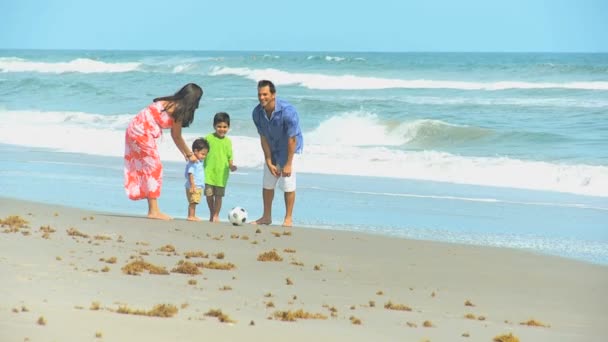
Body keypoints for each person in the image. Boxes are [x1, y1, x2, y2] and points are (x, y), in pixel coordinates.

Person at [124, 83, 203, 220]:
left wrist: (186, 154)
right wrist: (189, 154)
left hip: (135, 129)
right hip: (142, 132)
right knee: (154, 168)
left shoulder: (170, 103)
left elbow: (175, 136)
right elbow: (177, 136)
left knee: (149, 167)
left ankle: (153, 209)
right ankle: (153, 211)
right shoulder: (178, 109)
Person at [251, 80, 303, 227]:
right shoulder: (257, 113)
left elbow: (292, 139)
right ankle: (266, 217)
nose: (262, 97)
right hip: (271, 147)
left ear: (273, 95)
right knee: (268, 182)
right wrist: (268, 159)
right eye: (259, 94)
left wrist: (288, 164)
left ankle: (288, 218)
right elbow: (263, 137)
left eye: (265, 94)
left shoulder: (288, 111)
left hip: (290, 148)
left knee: (288, 183)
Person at [204, 112, 237, 223]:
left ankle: (216, 215)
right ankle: (212, 213)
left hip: (222, 174)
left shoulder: (228, 141)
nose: (222, 129)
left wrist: (231, 166)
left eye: (224, 127)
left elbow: (229, 156)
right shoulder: (208, 138)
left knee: (218, 196)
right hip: (208, 172)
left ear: (228, 127)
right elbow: (202, 152)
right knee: (209, 195)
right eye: (219, 126)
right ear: (214, 126)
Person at [185, 138, 209, 221]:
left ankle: (192, 215)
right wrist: (193, 185)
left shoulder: (198, 161)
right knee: (193, 202)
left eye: (205, 154)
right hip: (194, 186)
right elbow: (190, 173)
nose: (204, 156)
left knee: (193, 201)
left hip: (196, 185)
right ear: (195, 151)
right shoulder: (194, 162)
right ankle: (191, 216)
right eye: (202, 154)